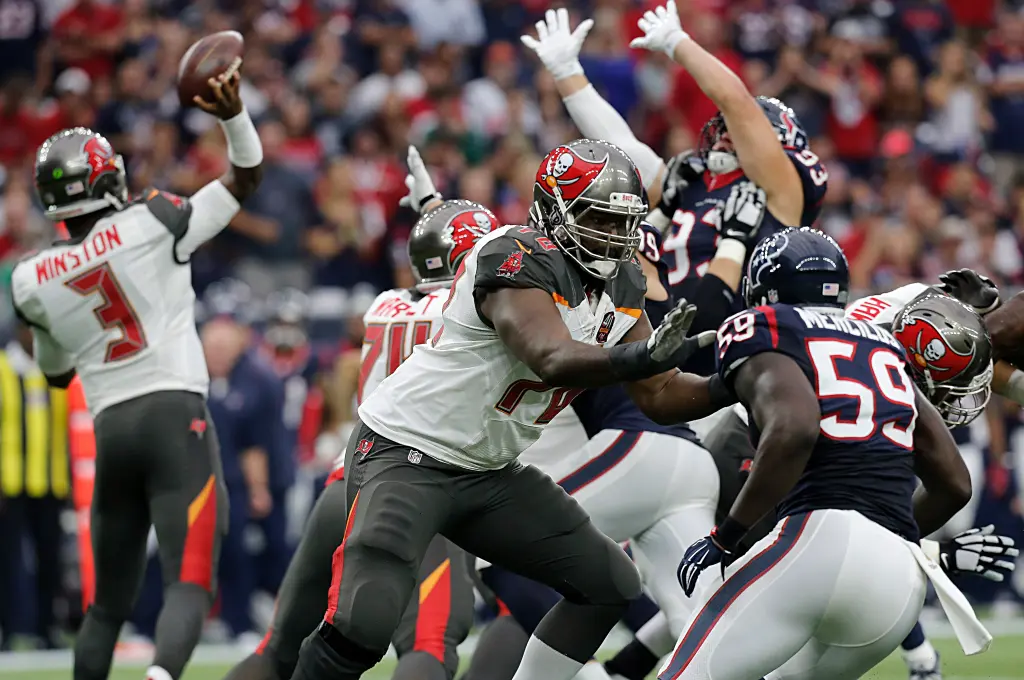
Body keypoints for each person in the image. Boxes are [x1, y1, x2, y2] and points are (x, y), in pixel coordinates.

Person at [289, 138, 733, 680]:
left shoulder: (622, 282)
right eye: (599, 218)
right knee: (364, 623)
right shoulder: (515, 253)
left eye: (623, 223)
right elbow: (550, 356)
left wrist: (733, 383)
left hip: (489, 471)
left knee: (608, 584)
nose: (615, 236)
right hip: (408, 452)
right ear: (554, 209)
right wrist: (640, 354)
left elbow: (661, 396)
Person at [11, 70, 262, 680]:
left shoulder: (31, 279)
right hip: (175, 415)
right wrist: (232, 115)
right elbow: (244, 178)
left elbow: (52, 373)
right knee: (190, 581)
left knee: (105, 607)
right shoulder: (155, 220)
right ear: (109, 177)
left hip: (113, 430)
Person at [466, 181, 769, 680]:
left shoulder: (592, 293)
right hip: (690, 464)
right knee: (701, 622)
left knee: (496, 554)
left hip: (638, 447)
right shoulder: (620, 288)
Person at [662, 227, 989, 680]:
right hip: (898, 587)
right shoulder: (886, 345)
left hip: (819, 541)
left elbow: (794, 429)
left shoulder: (765, 325)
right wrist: (894, 536)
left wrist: (726, 536)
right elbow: (955, 484)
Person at [224, 189, 497, 680]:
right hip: (418, 487)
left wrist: (438, 209)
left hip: (344, 482)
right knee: (429, 645)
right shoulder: (473, 313)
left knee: (279, 646)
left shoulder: (384, 305)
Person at [521, 6, 828, 371]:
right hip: (665, 336)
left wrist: (678, 43)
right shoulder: (691, 183)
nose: (727, 133)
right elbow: (621, 145)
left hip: (739, 344)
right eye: (725, 127)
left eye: (740, 129)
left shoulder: (782, 191)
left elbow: (738, 104)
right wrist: (566, 71)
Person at [0, 319, 70, 650]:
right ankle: (7, 630)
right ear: (19, 332)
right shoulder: (2, 368)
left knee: (50, 558)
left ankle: (46, 628)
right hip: (9, 482)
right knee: (6, 559)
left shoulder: (52, 370)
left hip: (50, 480)